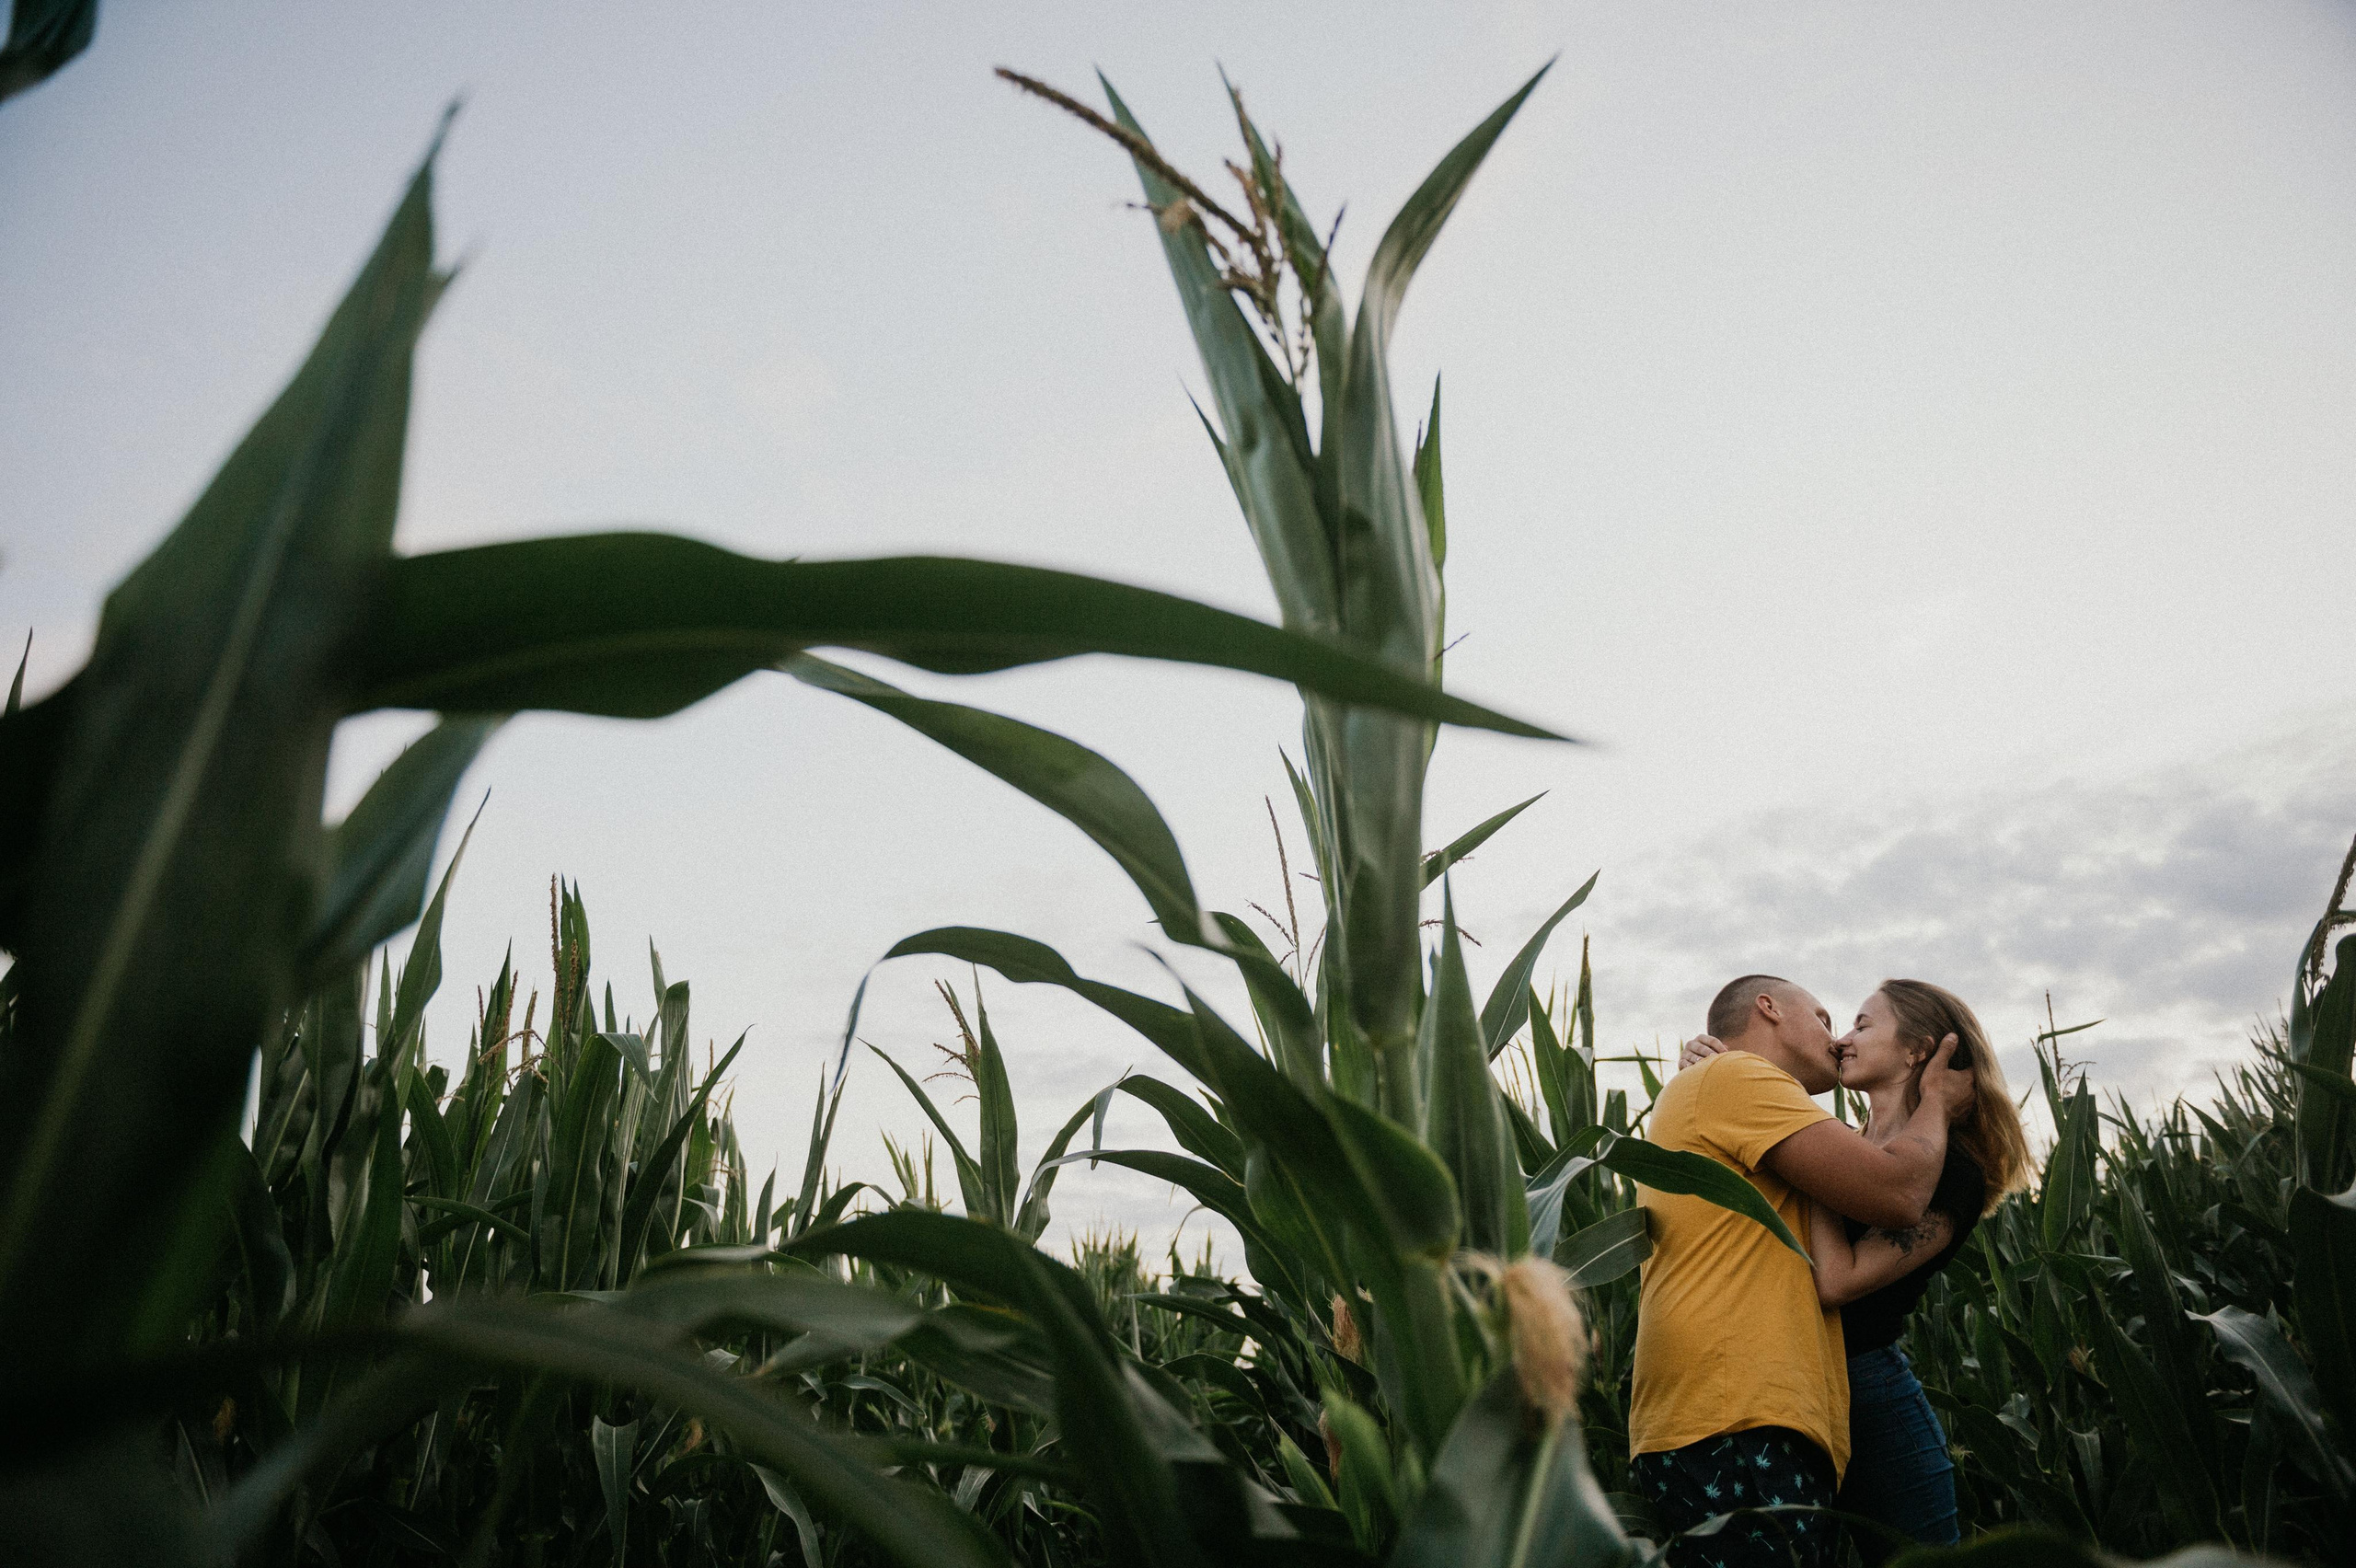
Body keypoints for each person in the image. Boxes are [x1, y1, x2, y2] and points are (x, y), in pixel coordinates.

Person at [1680, 980, 2032, 1562]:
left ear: (1919, 1049)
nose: (1843, 1040)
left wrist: (1818, 1167)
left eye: (1863, 1026)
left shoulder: (1955, 1175)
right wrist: (1710, 1065)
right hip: (1795, 1387)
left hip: (1871, 1397)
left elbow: (1836, 1282)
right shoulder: (1849, 1147)